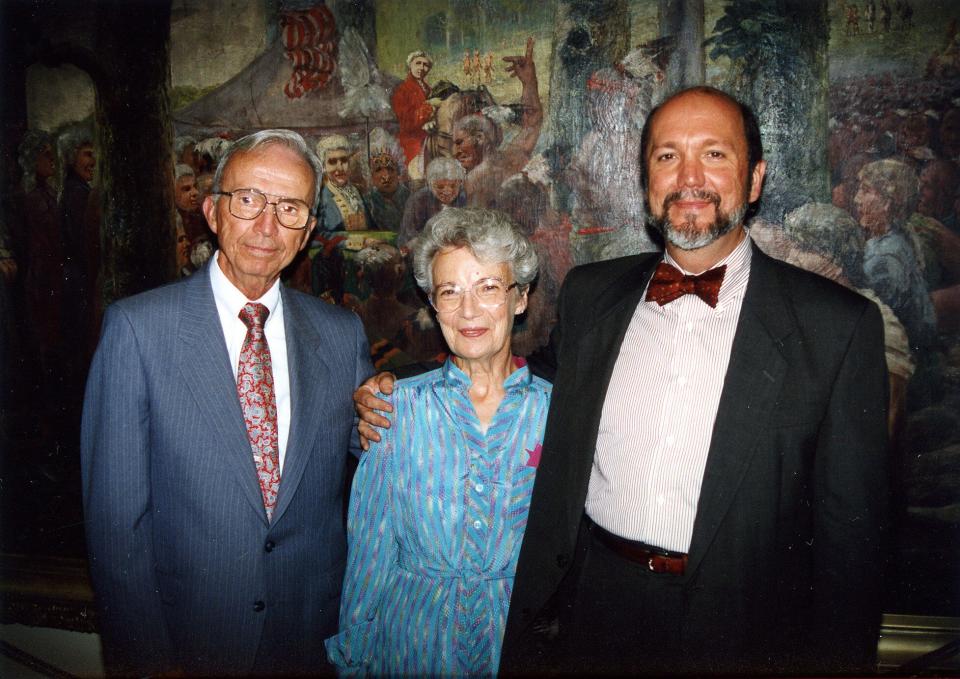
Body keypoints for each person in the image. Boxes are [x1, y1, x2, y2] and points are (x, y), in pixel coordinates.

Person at [356, 87, 890, 674]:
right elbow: (521, 380)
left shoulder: (835, 327)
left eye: (714, 154)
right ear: (646, 183)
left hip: (745, 631)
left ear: (756, 178)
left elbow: (852, 547)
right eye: (667, 157)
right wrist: (395, 384)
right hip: (595, 612)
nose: (689, 177)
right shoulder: (593, 293)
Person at [81, 129, 374, 676]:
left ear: (309, 230)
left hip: (310, 644)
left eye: (290, 208)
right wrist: (148, 663)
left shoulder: (340, 335)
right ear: (213, 212)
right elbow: (116, 530)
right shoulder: (138, 330)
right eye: (249, 200)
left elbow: (375, 448)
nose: (267, 225)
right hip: (189, 645)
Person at [326, 208, 551, 675]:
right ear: (433, 305)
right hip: (413, 647)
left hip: (520, 647)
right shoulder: (394, 409)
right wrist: (356, 662)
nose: (468, 311)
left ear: (521, 297)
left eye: (488, 287)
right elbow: (370, 556)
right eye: (450, 292)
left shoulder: (561, 413)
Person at [452, 37, 542, 208]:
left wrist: (530, 81)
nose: (455, 151)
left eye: (459, 142)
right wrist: (529, 82)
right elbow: (533, 123)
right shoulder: (513, 156)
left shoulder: (475, 180)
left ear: (480, 137)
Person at [399, 156, 466, 248]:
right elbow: (409, 234)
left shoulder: (465, 196)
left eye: (453, 186)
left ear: (460, 182)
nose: (447, 191)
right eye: (440, 187)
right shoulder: (418, 199)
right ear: (430, 184)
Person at [391, 50, 435, 166]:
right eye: (418, 63)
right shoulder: (402, 90)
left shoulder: (429, 89)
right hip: (411, 140)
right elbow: (406, 122)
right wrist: (429, 106)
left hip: (429, 137)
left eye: (425, 65)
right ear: (410, 65)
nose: (421, 67)